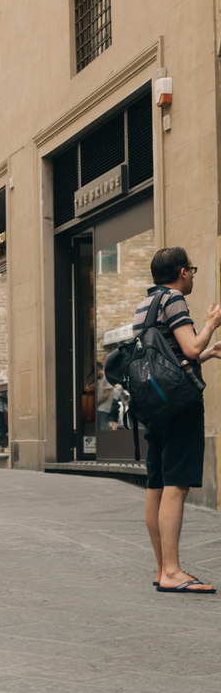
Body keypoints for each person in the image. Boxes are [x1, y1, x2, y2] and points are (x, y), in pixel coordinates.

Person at [134, 246, 221, 593]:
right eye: (193, 270)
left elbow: (168, 363)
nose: (193, 276)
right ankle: (172, 571)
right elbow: (189, 350)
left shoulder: (146, 304)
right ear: (183, 272)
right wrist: (211, 326)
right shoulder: (174, 300)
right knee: (177, 483)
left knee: (156, 484)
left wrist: (209, 353)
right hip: (180, 408)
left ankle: (161, 569)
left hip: (155, 406)